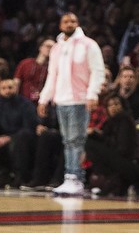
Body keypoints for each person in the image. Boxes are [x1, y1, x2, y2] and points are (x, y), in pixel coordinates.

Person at [37, 12, 107, 197]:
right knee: (67, 141)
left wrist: (92, 94)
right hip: (61, 100)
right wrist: (44, 98)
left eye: (73, 21)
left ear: (77, 23)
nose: (70, 23)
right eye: (66, 21)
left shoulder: (88, 45)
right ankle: (69, 177)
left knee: (76, 140)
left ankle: (76, 177)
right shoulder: (57, 48)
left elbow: (97, 71)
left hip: (80, 99)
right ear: (60, 25)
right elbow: (52, 75)